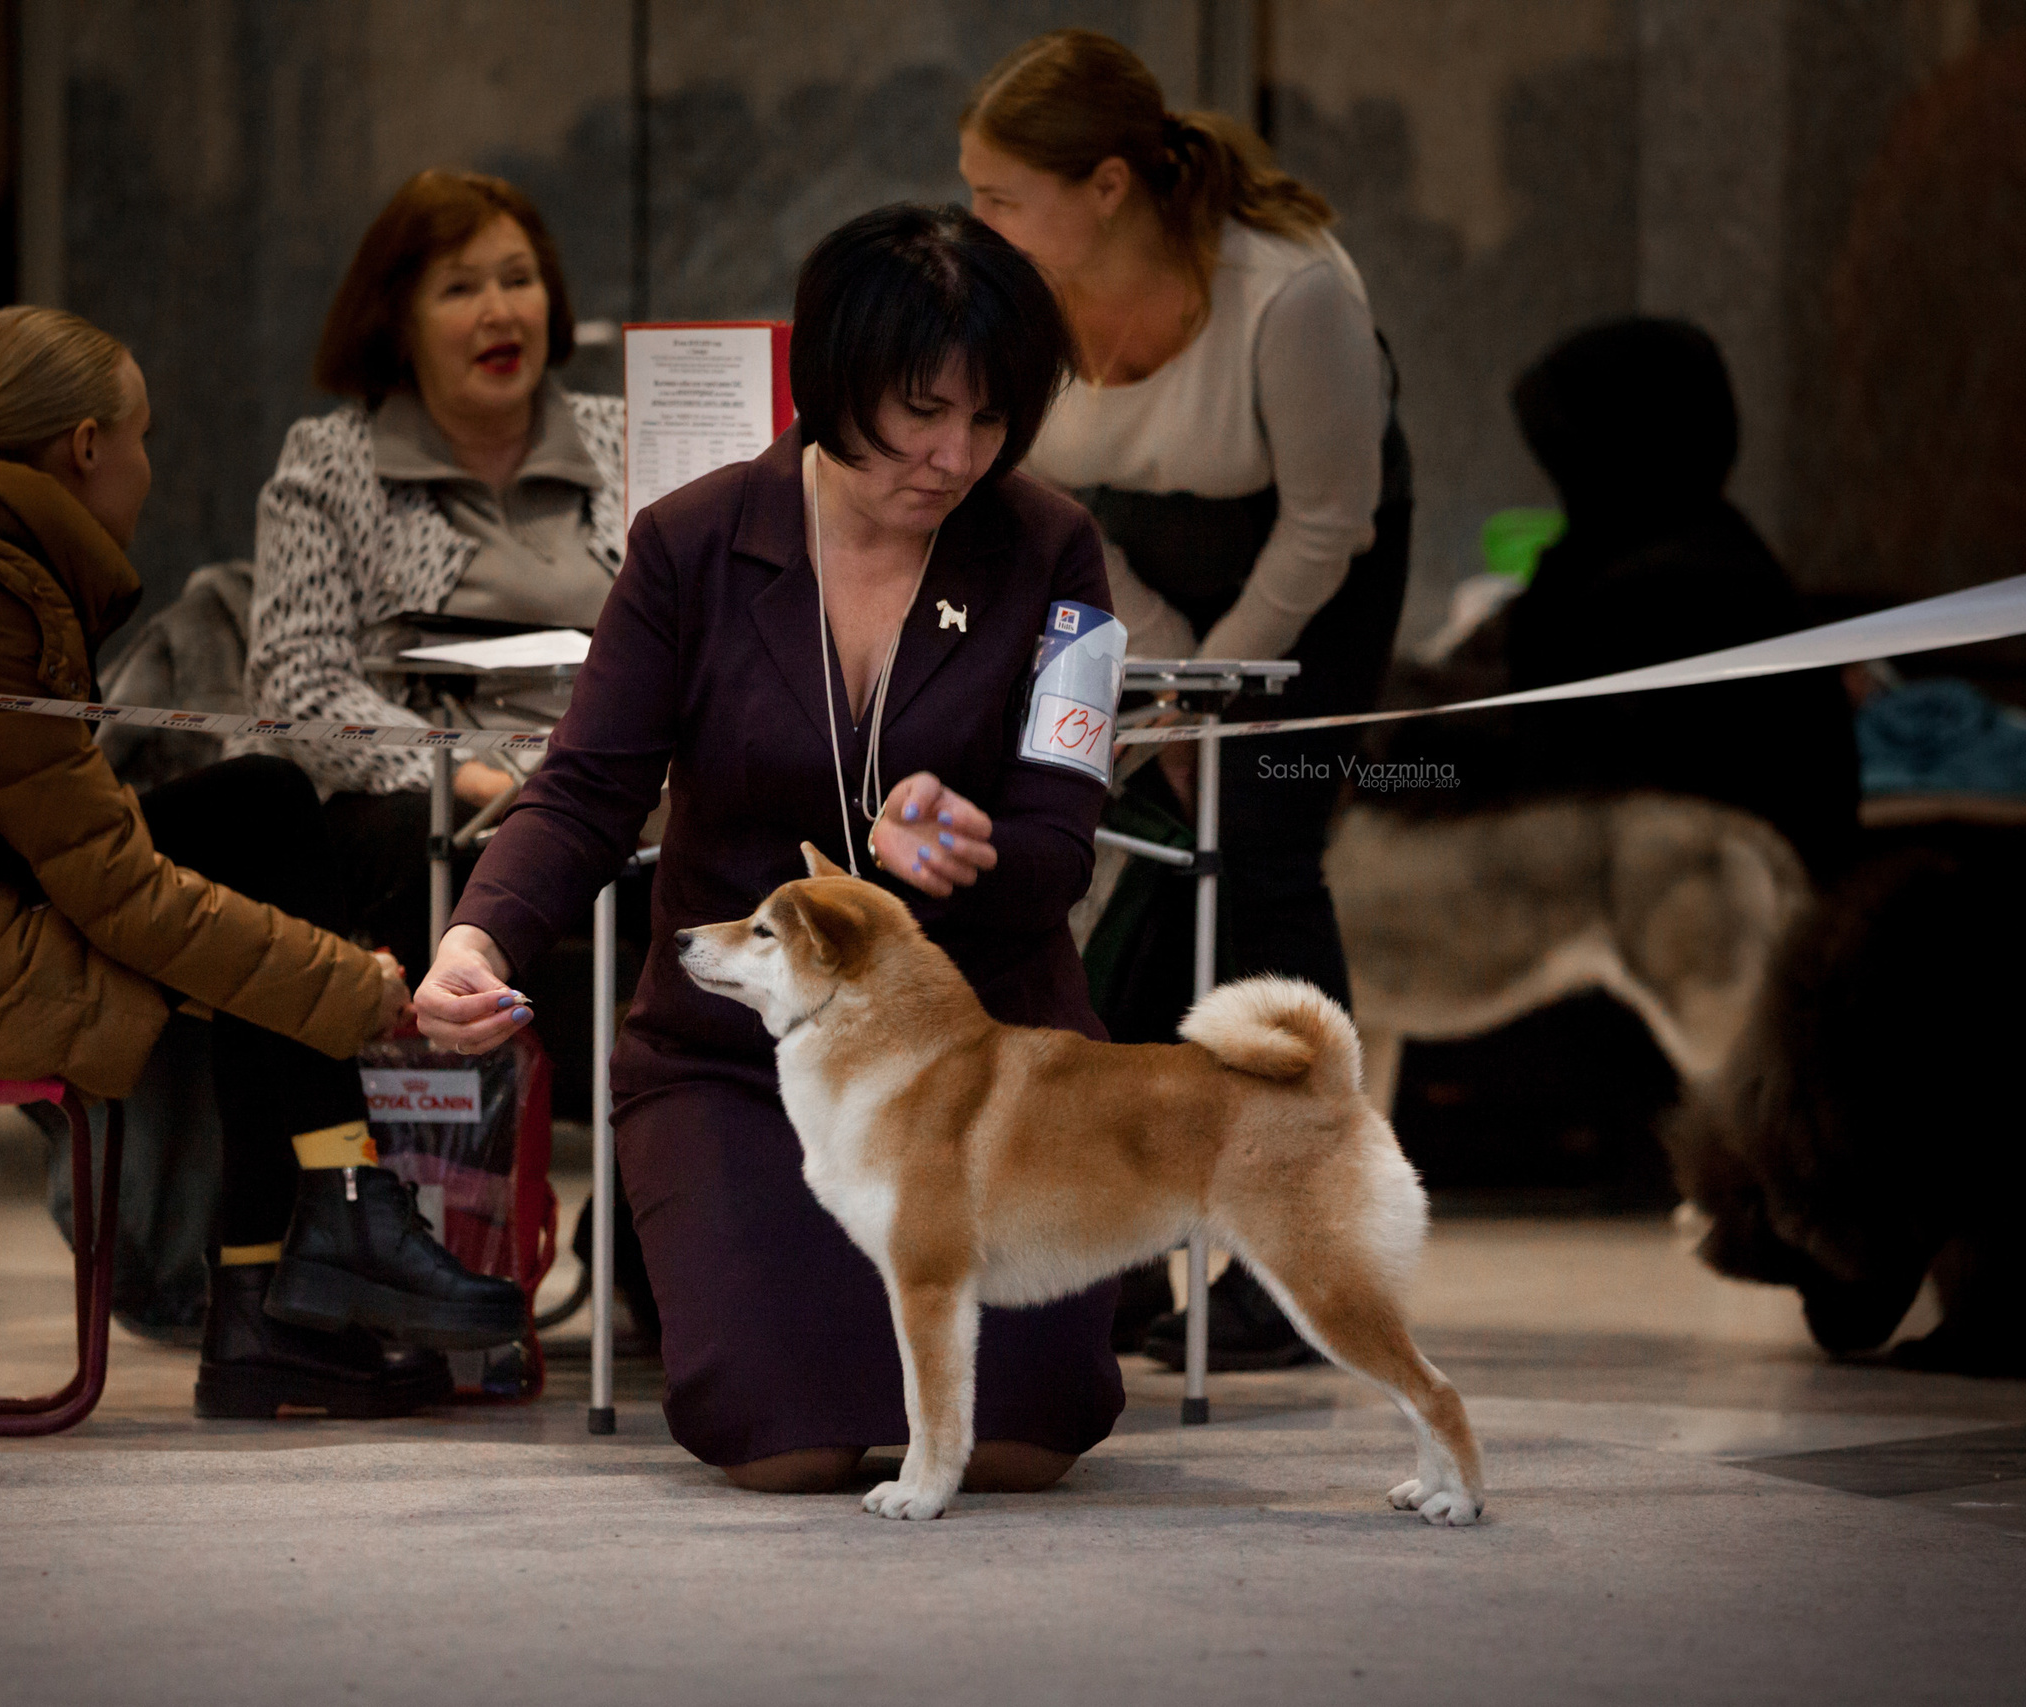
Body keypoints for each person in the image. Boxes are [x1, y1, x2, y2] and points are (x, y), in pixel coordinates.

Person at [415, 205, 1125, 1493]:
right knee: (785, 1443)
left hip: (989, 1061)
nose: (954, 456)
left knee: (1026, 1435)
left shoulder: (1055, 546)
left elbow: (1062, 844)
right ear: (832, 384)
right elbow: (583, 790)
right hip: (737, 1061)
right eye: (921, 412)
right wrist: (479, 934)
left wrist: (982, 852)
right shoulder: (690, 542)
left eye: (990, 420)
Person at [0, 305, 522, 1422]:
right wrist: (355, 988)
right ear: (88, 448)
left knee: (259, 807)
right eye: (144, 435)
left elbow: (76, 843)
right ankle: (311, 1243)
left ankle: (291, 1268)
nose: (151, 465)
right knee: (244, 893)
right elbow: (113, 888)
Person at [959, 28, 1411, 1369]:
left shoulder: (1291, 293)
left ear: (1106, 186)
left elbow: (1331, 523)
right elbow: (1052, 515)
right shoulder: (1021, 305)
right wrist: (1154, 705)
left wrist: (1218, 708)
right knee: (1132, 847)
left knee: (1257, 850)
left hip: (1307, 568)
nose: (976, 225)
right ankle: (1123, 1226)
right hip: (1122, 579)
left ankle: (1311, 1238)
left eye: (999, 197)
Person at [242, 170, 627, 980]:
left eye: (519, 281)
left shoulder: (627, 438)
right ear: (397, 320)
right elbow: (294, 682)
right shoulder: (330, 462)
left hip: (620, 782)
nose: (500, 311)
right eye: (460, 288)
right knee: (426, 844)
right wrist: (468, 776)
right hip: (430, 805)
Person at [1500, 316, 1860, 881]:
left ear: (1621, 449)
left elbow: (1574, 807)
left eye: (1569, 454)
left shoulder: (1674, 599)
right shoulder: (1688, 548)